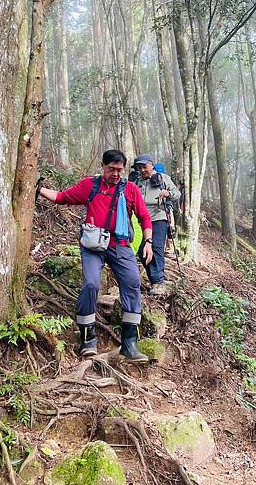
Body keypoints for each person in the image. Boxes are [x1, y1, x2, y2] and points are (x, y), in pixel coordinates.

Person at [37, 149, 153, 362]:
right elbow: (63, 198)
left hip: (120, 245)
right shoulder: (90, 185)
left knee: (133, 283)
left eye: (119, 170)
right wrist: (40, 189)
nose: (116, 174)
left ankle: (129, 343)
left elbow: (145, 218)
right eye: (111, 169)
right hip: (93, 245)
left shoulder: (131, 190)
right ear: (103, 166)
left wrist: (148, 242)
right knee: (91, 284)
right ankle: (87, 338)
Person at [133, 154, 181, 296]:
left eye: (145, 166)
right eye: (139, 167)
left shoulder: (163, 178)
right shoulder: (137, 181)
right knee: (142, 249)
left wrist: (167, 193)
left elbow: (177, 194)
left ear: (152, 165)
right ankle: (154, 278)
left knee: (157, 248)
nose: (142, 170)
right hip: (140, 219)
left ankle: (158, 282)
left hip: (158, 217)